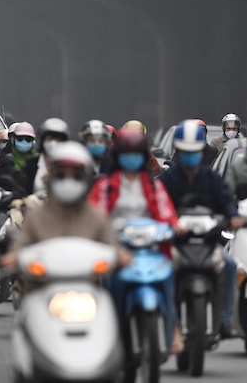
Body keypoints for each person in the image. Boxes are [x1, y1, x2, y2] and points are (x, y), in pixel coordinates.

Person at [88, 129, 182, 353]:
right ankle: (102, 330)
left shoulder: (153, 185)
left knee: (171, 274)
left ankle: (174, 328)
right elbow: (94, 217)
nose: (132, 158)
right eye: (126, 153)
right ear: (118, 156)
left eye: (136, 153)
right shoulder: (105, 186)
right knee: (100, 281)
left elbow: (166, 212)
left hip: (149, 248)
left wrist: (174, 228)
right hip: (115, 249)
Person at [158, 120, 243, 339]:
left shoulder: (211, 178)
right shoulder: (167, 180)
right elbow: (157, 205)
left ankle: (225, 320)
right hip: (176, 243)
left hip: (208, 241)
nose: (190, 156)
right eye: (185, 151)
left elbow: (225, 199)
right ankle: (167, 320)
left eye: (194, 151)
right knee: (160, 271)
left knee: (230, 265)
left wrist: (232, 216)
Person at [0, 141, 130, 284]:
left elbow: (111, 244)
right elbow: (21, 243)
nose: (68, 181)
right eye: (61, 174)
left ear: (86, 179)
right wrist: (13, 256)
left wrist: (121, 256)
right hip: (42, 292)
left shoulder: (95, 216)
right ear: (51, 177)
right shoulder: (36, 216)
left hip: (88, 293)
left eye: (76, 175)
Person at [18, 118, 69, 196]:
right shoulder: (31, 164)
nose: (53, 142)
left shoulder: (70, 166)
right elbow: (21, 190)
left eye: (58, 139)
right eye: (49, 138)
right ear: (42, 140)